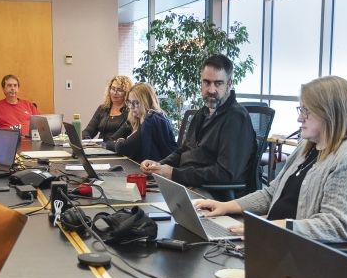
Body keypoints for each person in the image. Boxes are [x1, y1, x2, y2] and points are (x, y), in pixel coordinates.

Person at [196, 76, 347, 240]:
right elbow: (272, 193)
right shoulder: (307, 147)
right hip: (279, 242)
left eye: (306, 111)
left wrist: (268, 228)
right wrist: (225, 207)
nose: (299, 118)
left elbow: (336, 227)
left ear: (330, 113)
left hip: (320, 260)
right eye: (301, 110)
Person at [141, 54, 255, 189]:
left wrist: (175, 174)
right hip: (186, 183)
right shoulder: (202, 113)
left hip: (213, 193)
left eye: (218, 83)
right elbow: (184, 151)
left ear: (229, 84)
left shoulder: (236, 118)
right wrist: (158, 165)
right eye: (206, 82)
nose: (211, 90)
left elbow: (225, 173)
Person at [105, 82, 176, 164]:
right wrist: (119, 143)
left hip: (159, 169)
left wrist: (120, 141)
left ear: (146, 102)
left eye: (136, 103)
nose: (132, 107)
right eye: (130, 102)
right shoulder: (139, 118)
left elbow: (124, 147)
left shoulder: (151, 119)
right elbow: (111, 141)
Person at [82, 75, 132, 141]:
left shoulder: (130, 111)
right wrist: (86, 140)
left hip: (117, 146)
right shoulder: (103, 108)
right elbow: (89, 130)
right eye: (113, 89)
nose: (115, 93)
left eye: (119, 90)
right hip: (100, 146)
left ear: (126, 93)